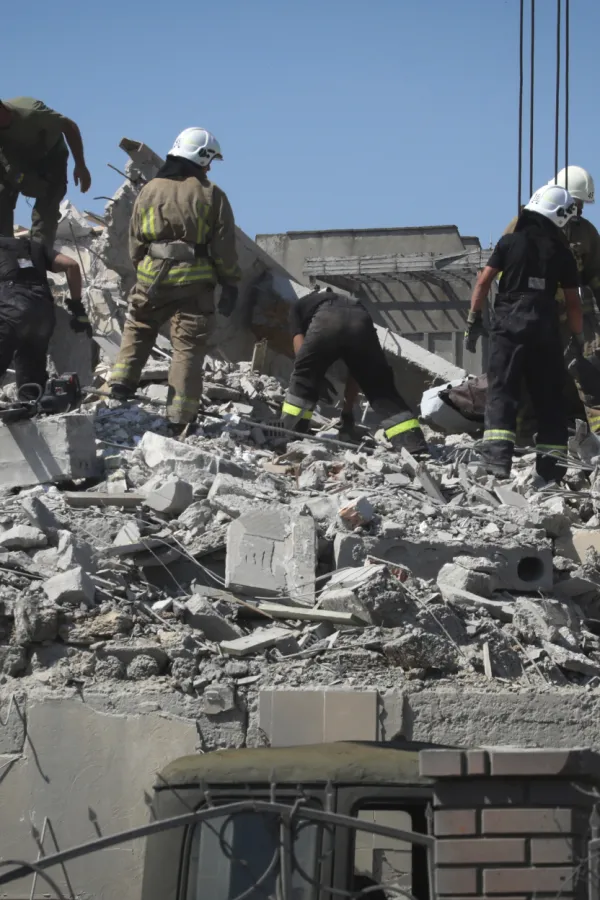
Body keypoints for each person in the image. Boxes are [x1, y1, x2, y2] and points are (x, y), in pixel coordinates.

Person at [109, 127, 241, 435]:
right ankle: (180, 417)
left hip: (151, 277)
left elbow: (136, 238)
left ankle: (119, 386)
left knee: (140, 326)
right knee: (188, 348)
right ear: (201, 158)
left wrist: (143, 268)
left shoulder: (150, 189)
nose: (209, 168)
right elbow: (224, 246)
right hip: (195, 284)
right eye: (209, 161)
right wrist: (230, 283)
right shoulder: (211, 193)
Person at [465, 184, 582, 482]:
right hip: (544, 327)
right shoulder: (562, 253)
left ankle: (496, 464)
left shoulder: (508, 243)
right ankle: (552, 469)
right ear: (560, 218)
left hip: (510, 325)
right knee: (549, 398)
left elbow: (483, 282)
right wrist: (577, 338)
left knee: (503, 391)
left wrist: (473, 318)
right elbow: (573, 303)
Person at [503, 166, 600, 437]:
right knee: (525, 374)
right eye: (576, 203)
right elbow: (503, 268)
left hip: (570, 317)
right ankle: (523, 437)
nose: (579, 210)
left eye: (581, 205)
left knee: (589, 369)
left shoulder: (585, 233)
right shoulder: (521, 225)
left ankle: (596, 434)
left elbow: (596, 275)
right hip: (530, 315)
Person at [281, 288, 429, 455]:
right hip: (361, 319)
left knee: (303, 380)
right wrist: (347, 413)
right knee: (380, 388)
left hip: (328, 318)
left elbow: (302, 360)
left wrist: (313, 377)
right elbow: (357, 372)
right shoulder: (350, 304)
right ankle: (415, 448)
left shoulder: (298, 308)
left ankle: (286, 435)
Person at [0, 235, 90, 404]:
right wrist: (77, 307)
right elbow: (71, 265)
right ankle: (29, 410)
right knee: (31, 378)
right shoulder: (33, 246)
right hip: (43, 314)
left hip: (11, 311)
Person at [0, 97, 91, 248]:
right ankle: (5, 253)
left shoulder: (32, 112)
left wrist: (80, 165)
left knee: (47, 209)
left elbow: (69, 127)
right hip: (17, 161)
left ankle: (39, 257)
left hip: (50, 158)